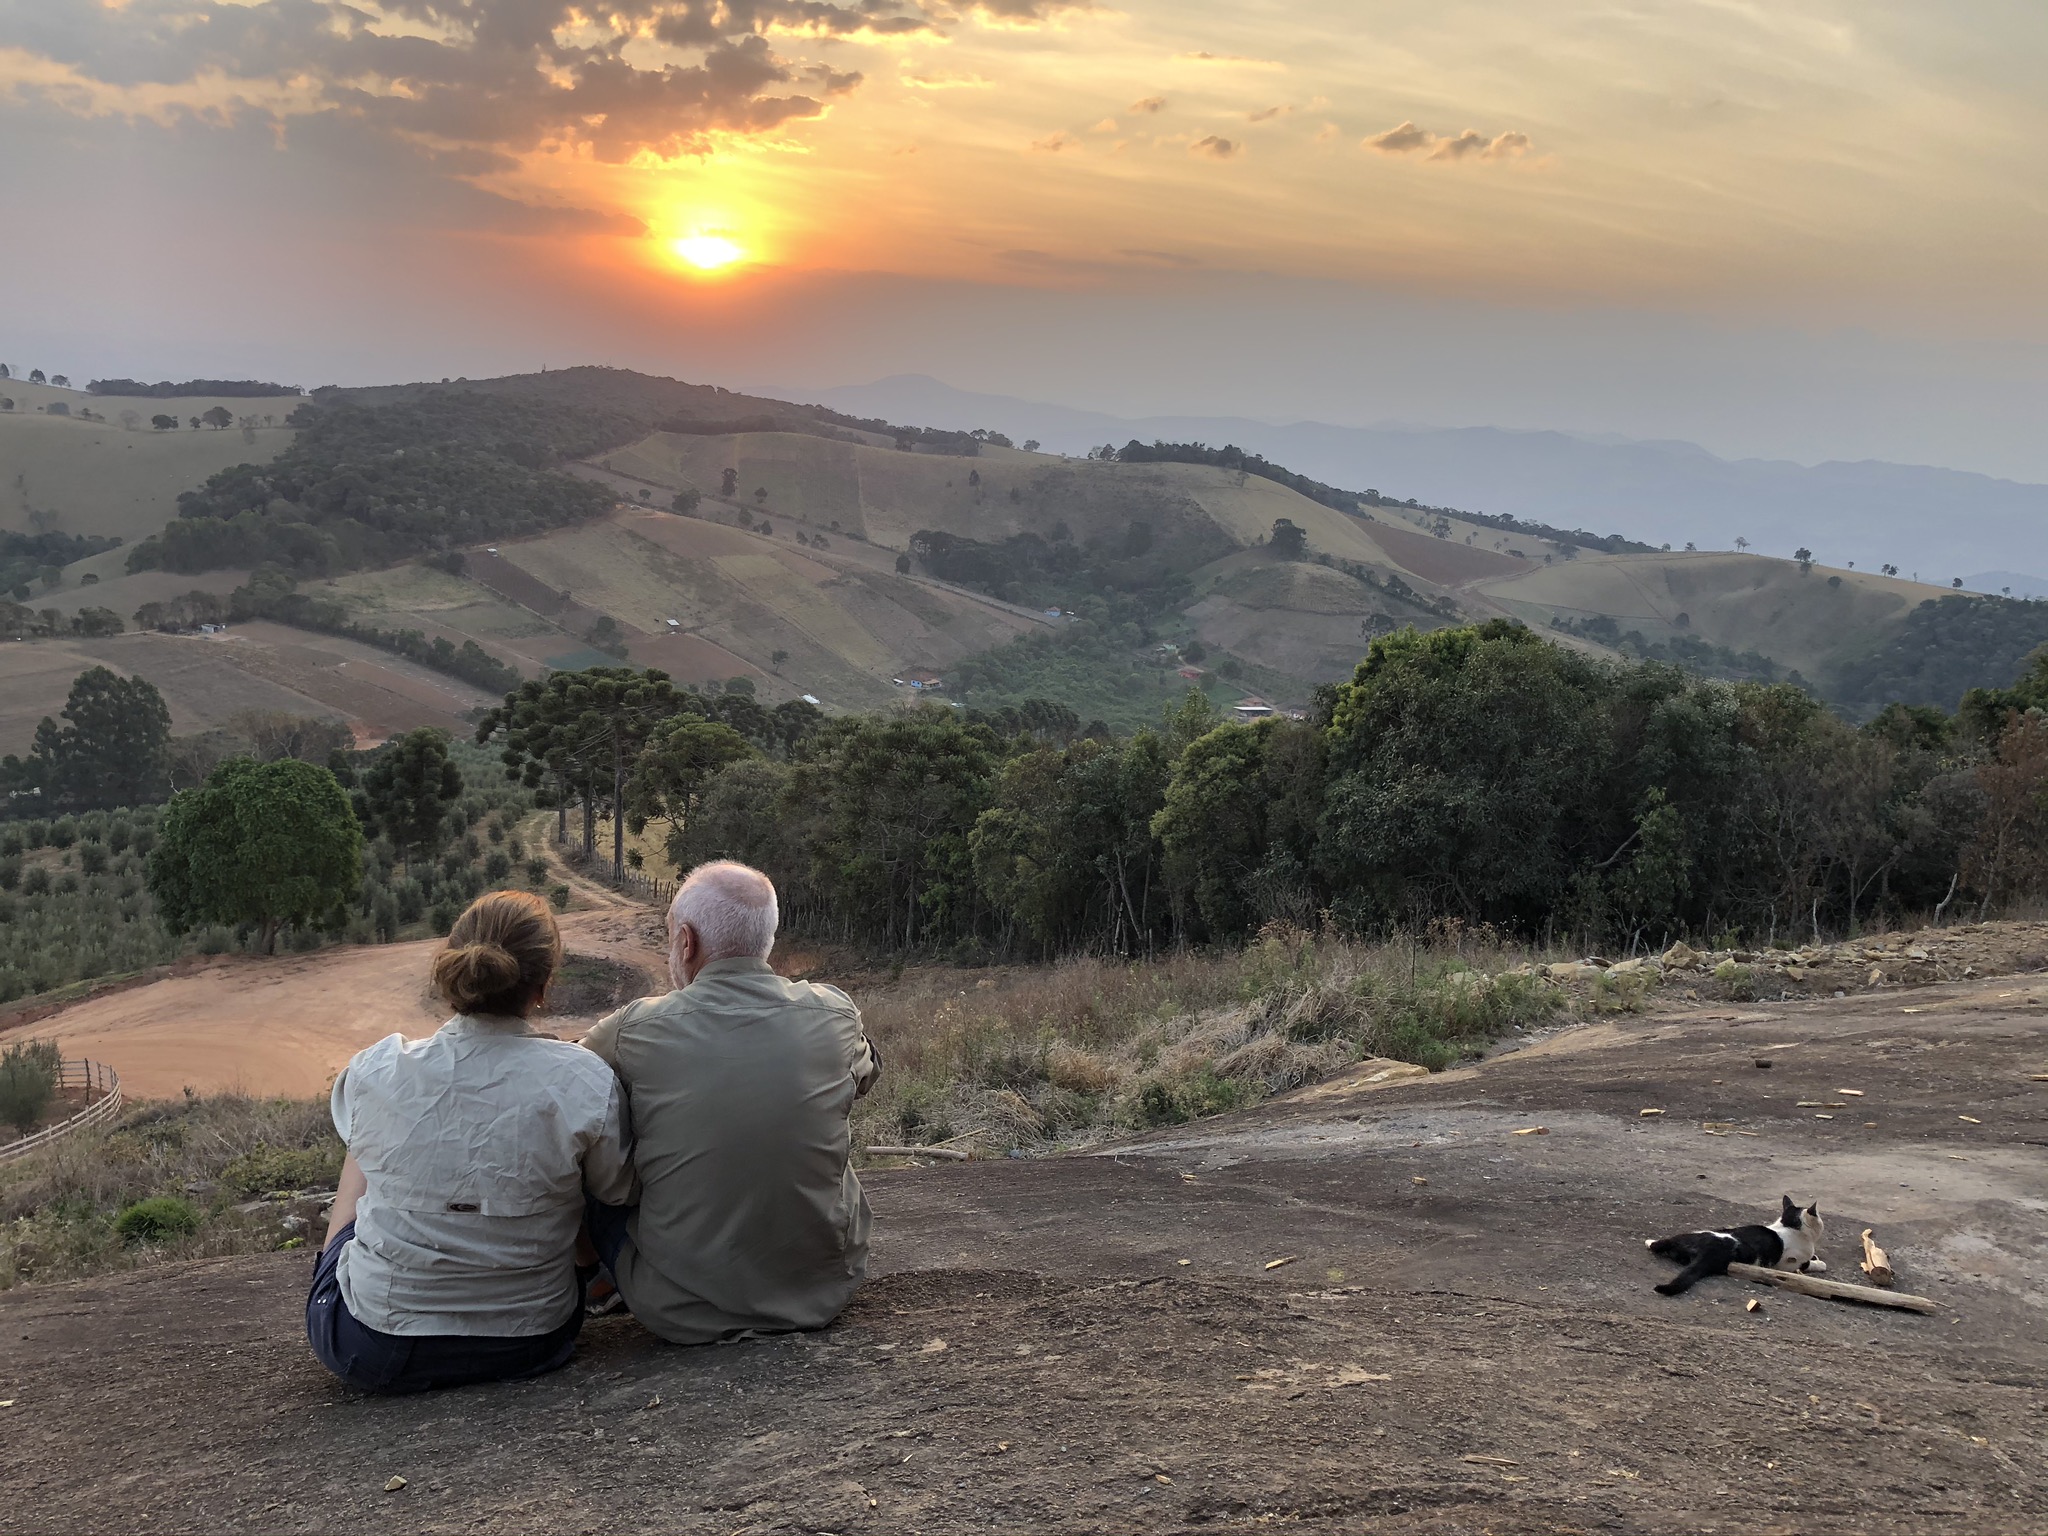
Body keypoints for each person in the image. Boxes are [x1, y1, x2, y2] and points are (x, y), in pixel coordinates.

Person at [306, 889, 634, 1393]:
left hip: (376, 1344)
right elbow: (613, 1190)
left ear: (452, 972)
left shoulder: (377, 1067)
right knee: (577, 1160)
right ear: (543, 985)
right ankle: (596, 1284)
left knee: (367, 1134)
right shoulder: (584, 1079)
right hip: (530, 1339)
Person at [581, 860, 880, 1344]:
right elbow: (866, 1075)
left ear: (686, 942)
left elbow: (566, 1095)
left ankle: (598, 1287)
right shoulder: (834, 1013)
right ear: (768, 940)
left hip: (676, 1306)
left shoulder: (631, 1029)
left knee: (590, 1176)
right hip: (824, 1290)